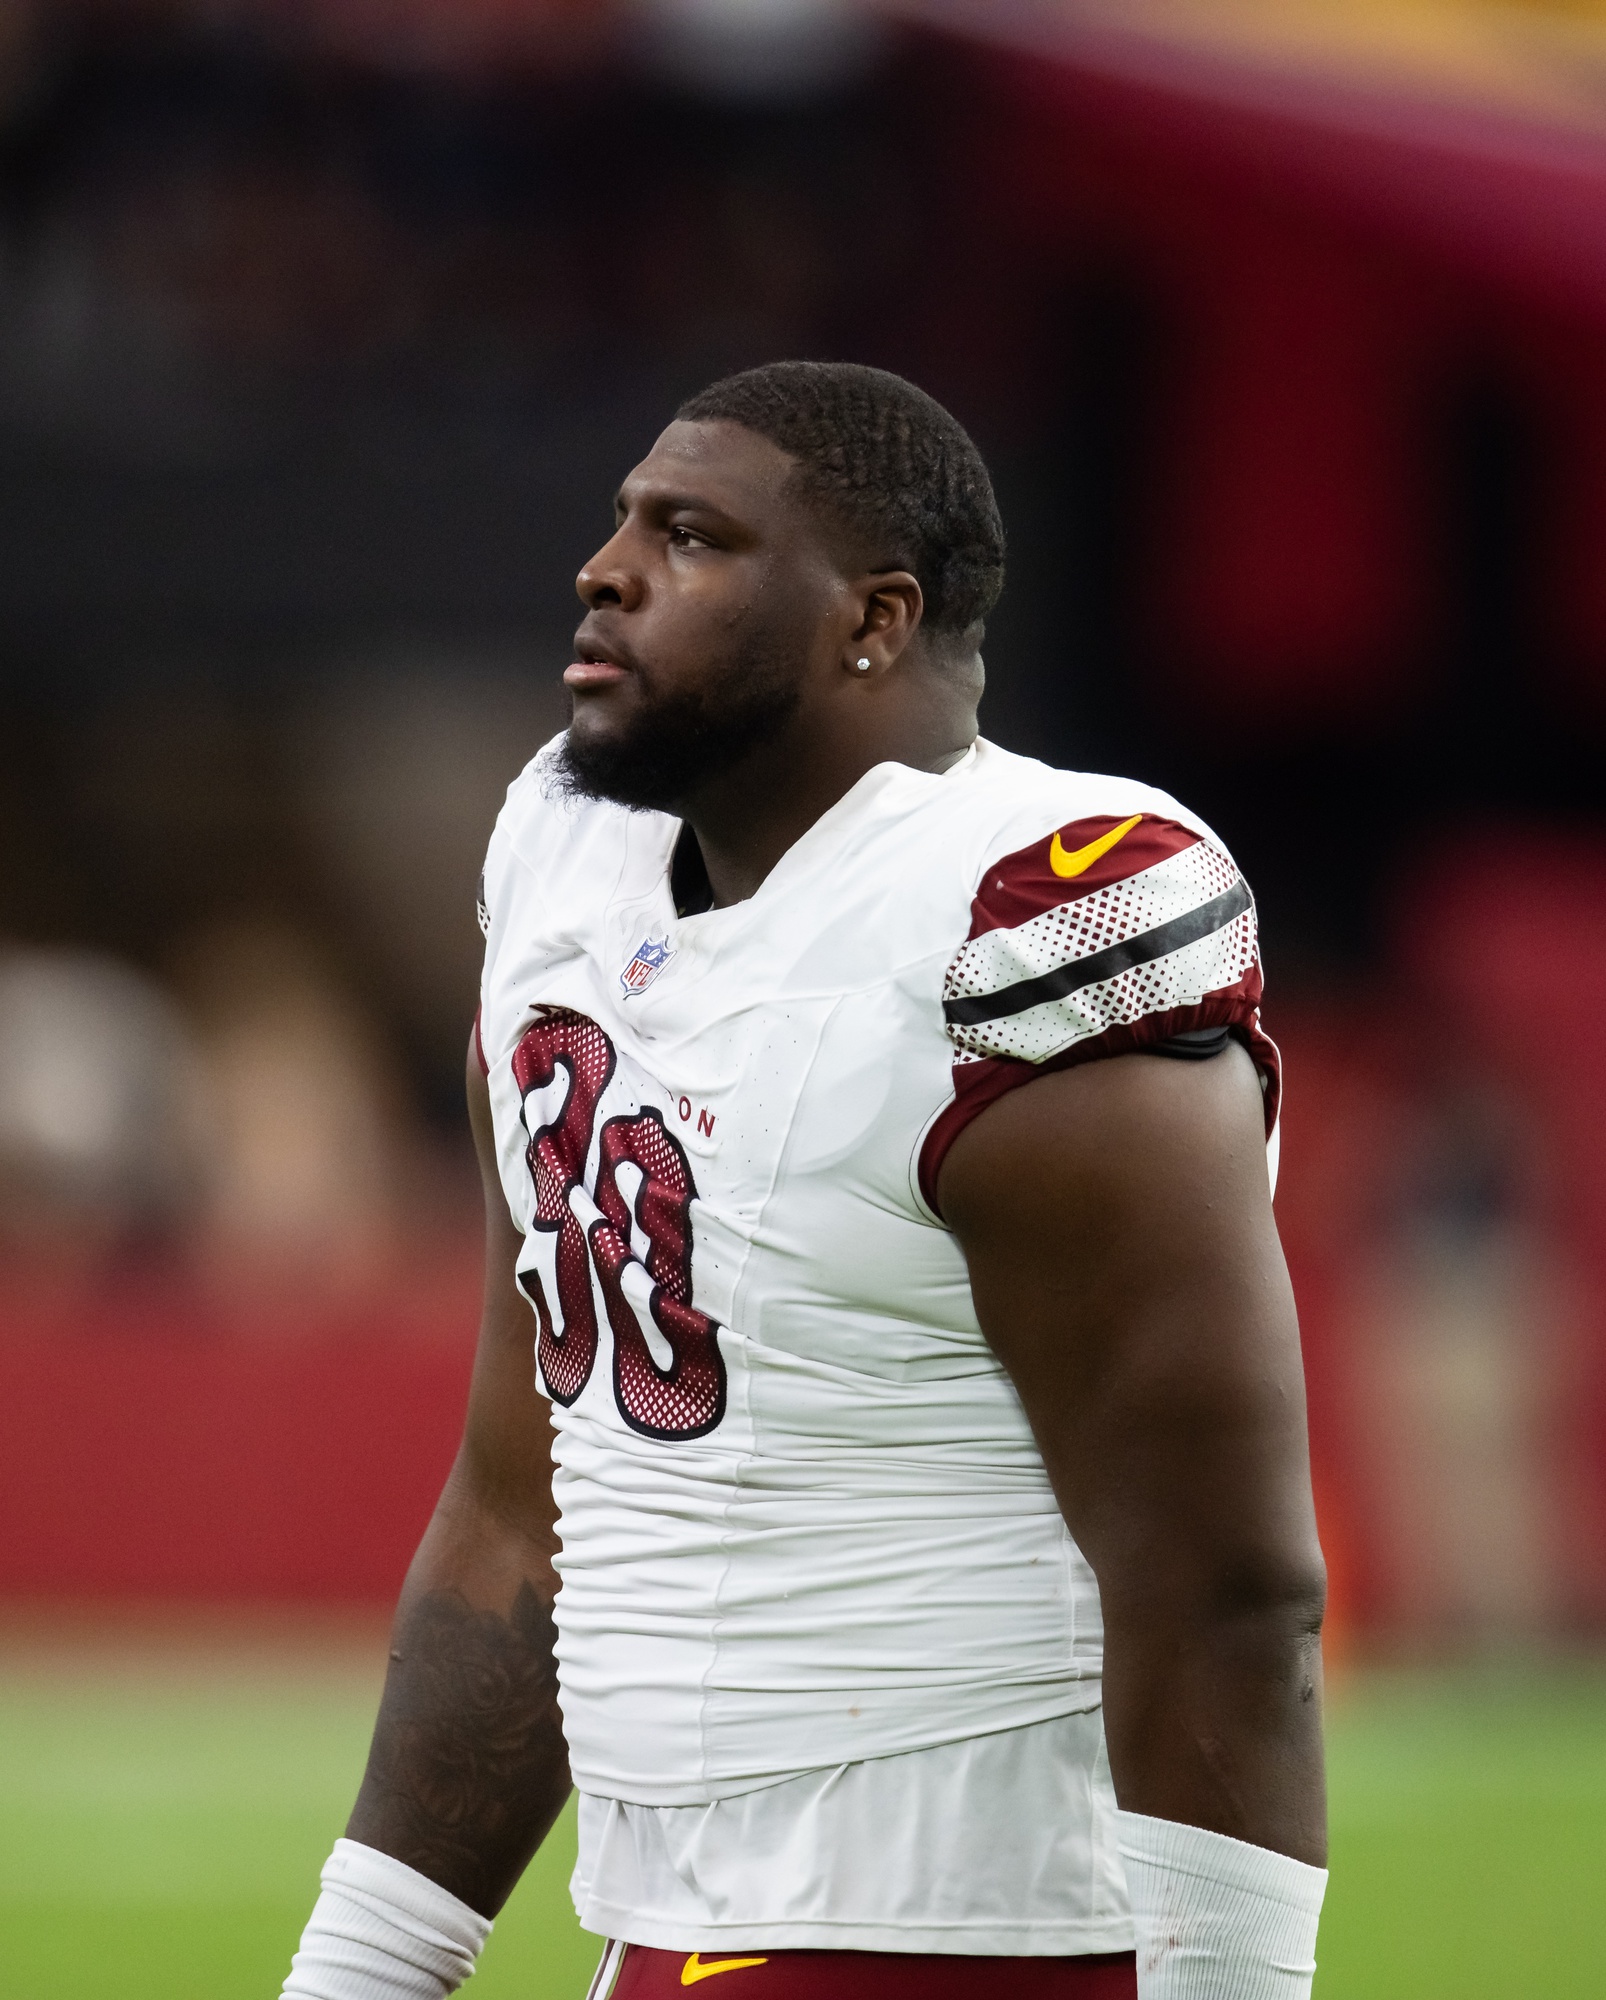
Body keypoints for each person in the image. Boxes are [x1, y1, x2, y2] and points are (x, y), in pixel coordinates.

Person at [282, 362, 1327, 2000]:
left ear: (870, 620)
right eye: (621, 519)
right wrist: (364, 1969)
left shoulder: (1027, 920)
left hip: (968, 1940)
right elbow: (530, 1510)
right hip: (673, 1930)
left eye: (690, 536)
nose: (605, 567)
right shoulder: (567, 864)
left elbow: (1221, 1585)